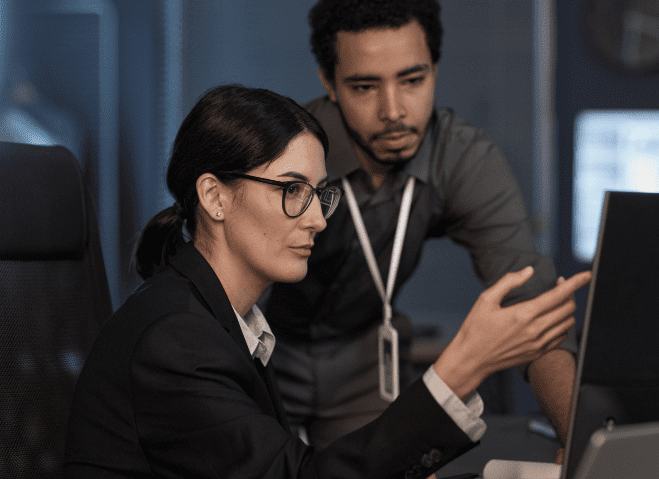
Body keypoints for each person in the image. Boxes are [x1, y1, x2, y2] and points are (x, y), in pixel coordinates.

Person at [63, 84, 591, 478]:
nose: (317, 218)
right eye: (293, 190)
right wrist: (463, 365)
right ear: (215, 196)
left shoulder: (219, 322)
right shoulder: (176, 341)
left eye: (320, 194)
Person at [262, 0, 580, 458]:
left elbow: (531, 303)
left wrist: (582, 444)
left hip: (366, 358)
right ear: (328, 83)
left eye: (413, 80)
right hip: (267, 350)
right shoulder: (285, 152)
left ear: (434, 69)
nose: (394, 110)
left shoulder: (463, 158)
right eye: (364, 86)